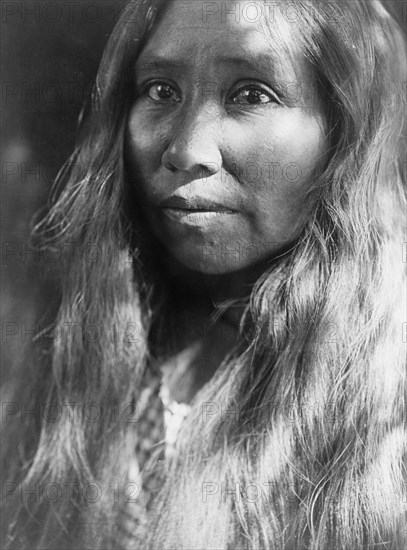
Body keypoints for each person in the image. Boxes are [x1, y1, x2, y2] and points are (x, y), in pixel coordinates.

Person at [1, 0, 406, 548]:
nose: (187, 149)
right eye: (161, 91)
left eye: (251, 94)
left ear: (343, 134)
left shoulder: (389, 398)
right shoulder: (69, 341)